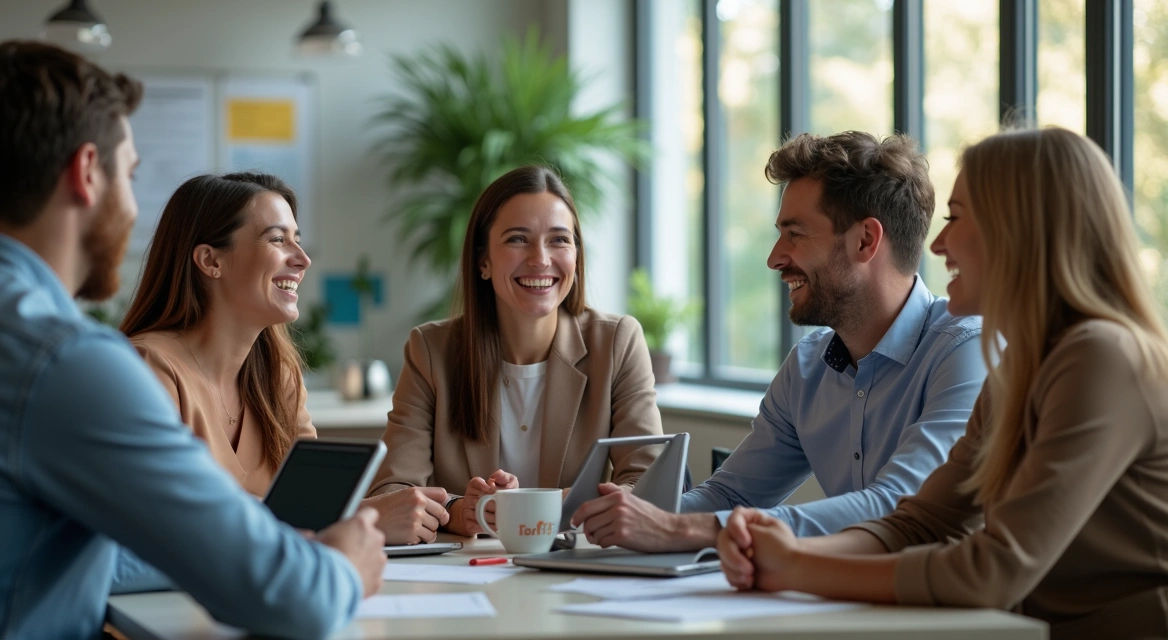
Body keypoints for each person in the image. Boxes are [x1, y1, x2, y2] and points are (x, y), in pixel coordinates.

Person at [0, 41, 384, 640]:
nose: (134, 207)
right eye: (130, 175)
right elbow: (287, 598)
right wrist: (344, 565)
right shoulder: (62, 362)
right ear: (85, 173)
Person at [718, 127, 1168, 640]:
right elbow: (922, 523)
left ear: (1019, 229)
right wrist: (788, 548)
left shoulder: (1102, 357)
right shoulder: (1023, 368)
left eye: (956, 218)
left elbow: (993, 570)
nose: (937, 243)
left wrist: (797, 567)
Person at [572, 131, 987, 552]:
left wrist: (687, 530)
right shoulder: (807, 368)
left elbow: (898, 507)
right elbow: (730, 495)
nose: (774, 257)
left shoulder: (966, 350)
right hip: (845, 603)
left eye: (796, 234)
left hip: (946, 611)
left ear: (865, 241)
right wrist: (633, 514)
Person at [120, 173, 449, 545]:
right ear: (210, 260)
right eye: (277, 239)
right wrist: (366, 517)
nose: (303, 259)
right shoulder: (146, 367)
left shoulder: (278, 376)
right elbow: (169, 520)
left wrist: (445, 509)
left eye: (298, 240)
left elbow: (318, 506)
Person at [369, 165, 665, 536]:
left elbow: (650, 488)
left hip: (574, 573)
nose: (541, 259)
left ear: (576, 255)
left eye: (559, 240)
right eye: (517, 239)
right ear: (483, 262)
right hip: (461, 574)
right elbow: (393, 491)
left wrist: (525, 507)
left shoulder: (618, 343)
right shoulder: (431, 350)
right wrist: (462, 510)